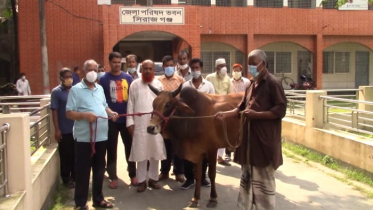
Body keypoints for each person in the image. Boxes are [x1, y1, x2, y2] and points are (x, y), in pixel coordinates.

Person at [214, 49, 287, 210]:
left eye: (255, 64)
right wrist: (225, 114)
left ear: (264, 64)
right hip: (248, 144)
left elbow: (280, 111)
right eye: (250, 65)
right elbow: (240, 108)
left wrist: (257, 115)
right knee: (247, 184)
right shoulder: (251, 84)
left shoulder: (273, 84)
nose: (251, 68)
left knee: (263, 187)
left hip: (264, 143)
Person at [66, 59, 118, 209]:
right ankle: (80, 203)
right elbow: (69, 113)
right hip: (84, 139)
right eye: (89, 69)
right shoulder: (76, 90)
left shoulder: (99, 88)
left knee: (99, 169)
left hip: (101, 136)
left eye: (95, 69)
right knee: (82, 171)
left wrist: (111, 112)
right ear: (83, 71)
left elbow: (105, 106)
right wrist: (84, 116)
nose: (93, 72)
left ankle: (98, 199)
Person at [126, 59, 166, 193]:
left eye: (150, 68)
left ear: (154, 70)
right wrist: (130, 122)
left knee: (154, 152)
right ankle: (142, 181)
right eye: (145, 68)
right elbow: (130, 104)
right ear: (141, 69)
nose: (147, 71)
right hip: (140, 124)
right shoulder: (135, 84)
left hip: (155, 124)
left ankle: (153, 179)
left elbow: (163, 105)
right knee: (141, 152)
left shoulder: (159, 85)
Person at [99, 52, 137, 189]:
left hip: (126, 120)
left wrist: (132, 116)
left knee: (130, 148)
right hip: (111, 121)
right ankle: (113, 176)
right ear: (109, 63)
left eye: (119, 62)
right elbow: (101, 100)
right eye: (114, 62)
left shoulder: (128, 78)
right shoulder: (103, 79)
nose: (116, 64)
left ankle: (133, 174)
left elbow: (132, 99)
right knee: (111, 148)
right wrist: (109, 112)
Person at [181, 58, 214, 190]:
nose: (195, 70)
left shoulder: (209, 85)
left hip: (204, 124)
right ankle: (189, 178)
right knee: (188, 150)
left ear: (201, 69)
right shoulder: (185, 86)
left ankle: (203, 176)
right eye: (193, 68)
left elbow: (213, 103)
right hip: (188, 125)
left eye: (197, 68)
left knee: (204, 152)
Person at [157, 55, 186, 183]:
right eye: (166, 65)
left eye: (171, 65)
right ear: (163, 66)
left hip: (177, 119)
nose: (169, 68)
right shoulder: (158, 81)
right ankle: (164, 171)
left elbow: (183, 99)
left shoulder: (181, 81)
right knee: (165, 146)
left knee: (178, 146)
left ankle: (179, 172)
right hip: (163, 119)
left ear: (175, 66)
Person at [51, 68, 75, 189]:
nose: (69, 79)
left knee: (76, 155)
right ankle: (66, 179)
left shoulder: (75, 90)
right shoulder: (56, 92)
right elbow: (54, 111)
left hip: (76, 129)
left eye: (70, 76)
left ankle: (75, 178)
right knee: (66, 155)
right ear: (61, 78)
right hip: (64, 129)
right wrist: (57, 129)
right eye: (66, 77)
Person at [206, 58, 233, 166]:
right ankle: (209, 157)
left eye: (225, 65)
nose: (224, 67)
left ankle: (220, 157)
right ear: (216, 67)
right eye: (221, 65)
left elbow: (230, 95)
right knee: (210, 133)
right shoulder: (209, 77)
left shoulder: (228, 79)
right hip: (211, 109)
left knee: (222, 132)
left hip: (224, 110)